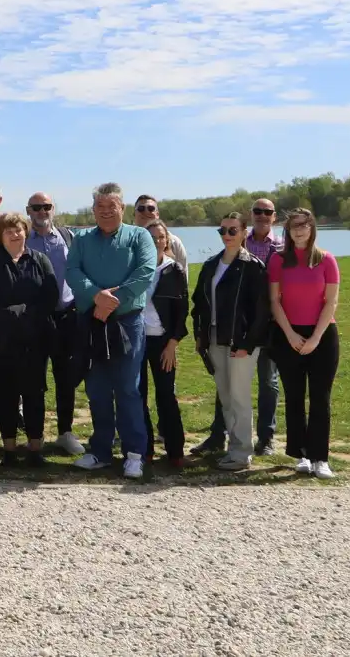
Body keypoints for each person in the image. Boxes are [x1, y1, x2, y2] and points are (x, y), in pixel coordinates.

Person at [65, 183, 157, 479]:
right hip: (92, 322)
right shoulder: (81, 239)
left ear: (122, 208)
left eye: (111, 207)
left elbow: (144, 273)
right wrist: (96, 296)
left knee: (128, 387)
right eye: (100, 208)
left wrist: (111, 302)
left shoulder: (139, 236)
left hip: (127, 321)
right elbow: (72, 272)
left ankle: (134, 454)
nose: (105, 212)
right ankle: (101, 451)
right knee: (97, 388)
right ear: (93, 210)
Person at [195, 196, 285, 456]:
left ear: (243, 232)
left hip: (242, 342)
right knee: (225, 398)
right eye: (222, 230)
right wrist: (201, 335)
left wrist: (247, 343)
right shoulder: (211, 265)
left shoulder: (252, 266)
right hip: (215, 340)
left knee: (240, 398)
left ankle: (242, 451)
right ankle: (229, 446)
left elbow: (260, 309)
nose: (227, 235)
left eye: (233, 230)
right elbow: (200, 303)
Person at [0, 212, 58, 467]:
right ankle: (9, 450)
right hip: (3, 340)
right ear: (1, 235)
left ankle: (35, 448)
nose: (15, 234)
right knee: (7, 395)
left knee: (34, 394)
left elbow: (50, 296)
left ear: (26, 232)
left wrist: (27, 315)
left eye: (19, 229)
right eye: (8, 231)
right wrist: (9, 316)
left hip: (34, 338)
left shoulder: (40, 260)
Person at [268, 208, 341, 479]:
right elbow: (275, 301)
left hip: (322, 335)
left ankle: (320, 457)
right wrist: (290, 335)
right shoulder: (278, 261)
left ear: (312, 228)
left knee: (320, 398)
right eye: (294, 226)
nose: (299, 230)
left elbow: (331, 302)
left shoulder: (326, 260)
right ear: (287, 230)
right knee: (294, 397)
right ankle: (300, 455)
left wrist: (315, 338)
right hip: (288, 334)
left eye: (304, 225)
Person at [25, 191, 84, 456]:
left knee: (66, 378)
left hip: (66, 317)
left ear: (53, 208)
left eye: (46, 206)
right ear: (29, 210)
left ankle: (65, 432)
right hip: (36, 320)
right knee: (35, 380)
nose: (41, 211)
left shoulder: (67, 237)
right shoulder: (22, 239)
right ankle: (34, 436)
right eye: (36, 207)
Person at [141, 220, 188, 466]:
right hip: (138, 341)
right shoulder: (136, 268)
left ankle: (175, 451)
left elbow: (182, 313)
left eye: (161, 237)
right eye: (152, 237)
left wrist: (172, 344)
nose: (157, 241)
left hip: (163, 343)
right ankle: (143, 448)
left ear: (166, 241)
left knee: (166, 395)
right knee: (138, 396)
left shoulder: (175, 271)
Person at [134, 195, 187, 273]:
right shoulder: (127, 241)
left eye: (151, 208)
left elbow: (183, 277)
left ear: (157, 214)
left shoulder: (174, 242)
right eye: (141, 209)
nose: (146, 211)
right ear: (134, 214)